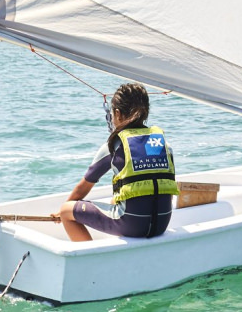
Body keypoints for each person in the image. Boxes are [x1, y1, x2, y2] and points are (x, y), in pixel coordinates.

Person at [57, 82, 179, 241]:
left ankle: (91, 259)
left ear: (117, 113)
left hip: (132, 225)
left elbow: (82, 188)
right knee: (115, 199)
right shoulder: (162, 144)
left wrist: (61, 213)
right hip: (161, 223)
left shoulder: (115, 144)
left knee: (66, 211)